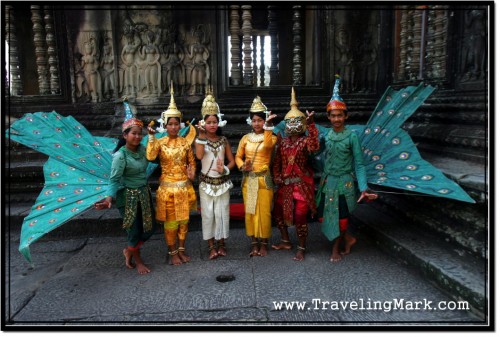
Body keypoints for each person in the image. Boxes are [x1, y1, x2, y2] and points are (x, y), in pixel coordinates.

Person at [315, 76, 377, 262]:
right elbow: (316, 151)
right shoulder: (326, 135)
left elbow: (359, 163)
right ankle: (349, 239)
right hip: (327, 181)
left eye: (339, 115)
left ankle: (336, 248)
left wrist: (364, 187)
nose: (336, 119)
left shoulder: (352, 137)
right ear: (328, 117)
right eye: (332, 115)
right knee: (321, 216)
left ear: (346, 116)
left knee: (341, 218)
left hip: (344, 182)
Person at [94, 115, 156, 275]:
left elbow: (155, 155)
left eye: (139, 133)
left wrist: (153, 137)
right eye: (133, 133)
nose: (137, 136)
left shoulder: (143, 149)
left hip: (144, 194)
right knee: (134, 231)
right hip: (128, 198)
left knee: (150, 228)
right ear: (125, 135)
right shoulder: (120, 156)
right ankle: (138, 261)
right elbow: (113, 180)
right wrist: (108, 199)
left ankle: (129, 249)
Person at [146, 84, 197, 266]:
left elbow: (191, 161)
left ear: (180, 125)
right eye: (170, 124)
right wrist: (151, 138)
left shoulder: (185, 143)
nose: (174, 127)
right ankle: (172, 252)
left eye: (176, 124)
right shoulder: (160, 142)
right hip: (167, 188)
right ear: (165, 125)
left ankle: (182, 249)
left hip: (184, 187)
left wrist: (192, 173)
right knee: (170, 223)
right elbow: (150, 156)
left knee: (184, 221)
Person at [271, 88, 319, 261]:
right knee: (277, 212)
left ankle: (301, 246)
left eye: (296, 122)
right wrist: (276, 176)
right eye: (289, 123)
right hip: (285, 185)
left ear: (302, 124)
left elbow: (314, 147)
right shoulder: (282, 143)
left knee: (300, 216)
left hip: (301, 185)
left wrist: (312, 125)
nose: (292, 126)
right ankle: (285, 240)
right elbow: (277, 162)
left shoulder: (306, 141)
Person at [194, 86, 235, 259]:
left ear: (219, 123)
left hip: (222, 182)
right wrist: (201, 136)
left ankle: (221, 244)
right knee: (208, 215)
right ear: (204, 123)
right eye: (209, 122)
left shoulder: (223, 140)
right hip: (206, 183)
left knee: (222, 214)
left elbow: (232, 161)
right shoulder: (199, 140)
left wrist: (224, 169)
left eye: (214, 122)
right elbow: (199, 156)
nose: (212, 125)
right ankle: (211, 247)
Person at [235, 96, 278, 257]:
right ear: (250, 121)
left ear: (264, 121)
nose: (257, 123)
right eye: (254, 120)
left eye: (260, 120)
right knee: (251, 211)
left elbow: (267, 146)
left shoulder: (271, 137)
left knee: (265, 212)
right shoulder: (245, 139)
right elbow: (238, 156)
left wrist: (268, 127)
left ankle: (264, 243)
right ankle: (254, 243)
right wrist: (241, 165)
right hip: (250, 179)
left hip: (264, 179)